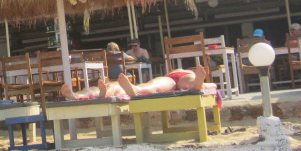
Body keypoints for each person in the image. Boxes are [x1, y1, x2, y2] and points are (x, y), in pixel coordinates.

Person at [60, 65, 215, 100]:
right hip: (183, 77)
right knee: (112, 86)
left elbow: (213, 87)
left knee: (151, 85)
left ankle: (198, 84)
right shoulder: (186, 72)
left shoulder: (179, 72)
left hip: (173, 77)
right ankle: (78, 95)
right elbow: (214, 86)